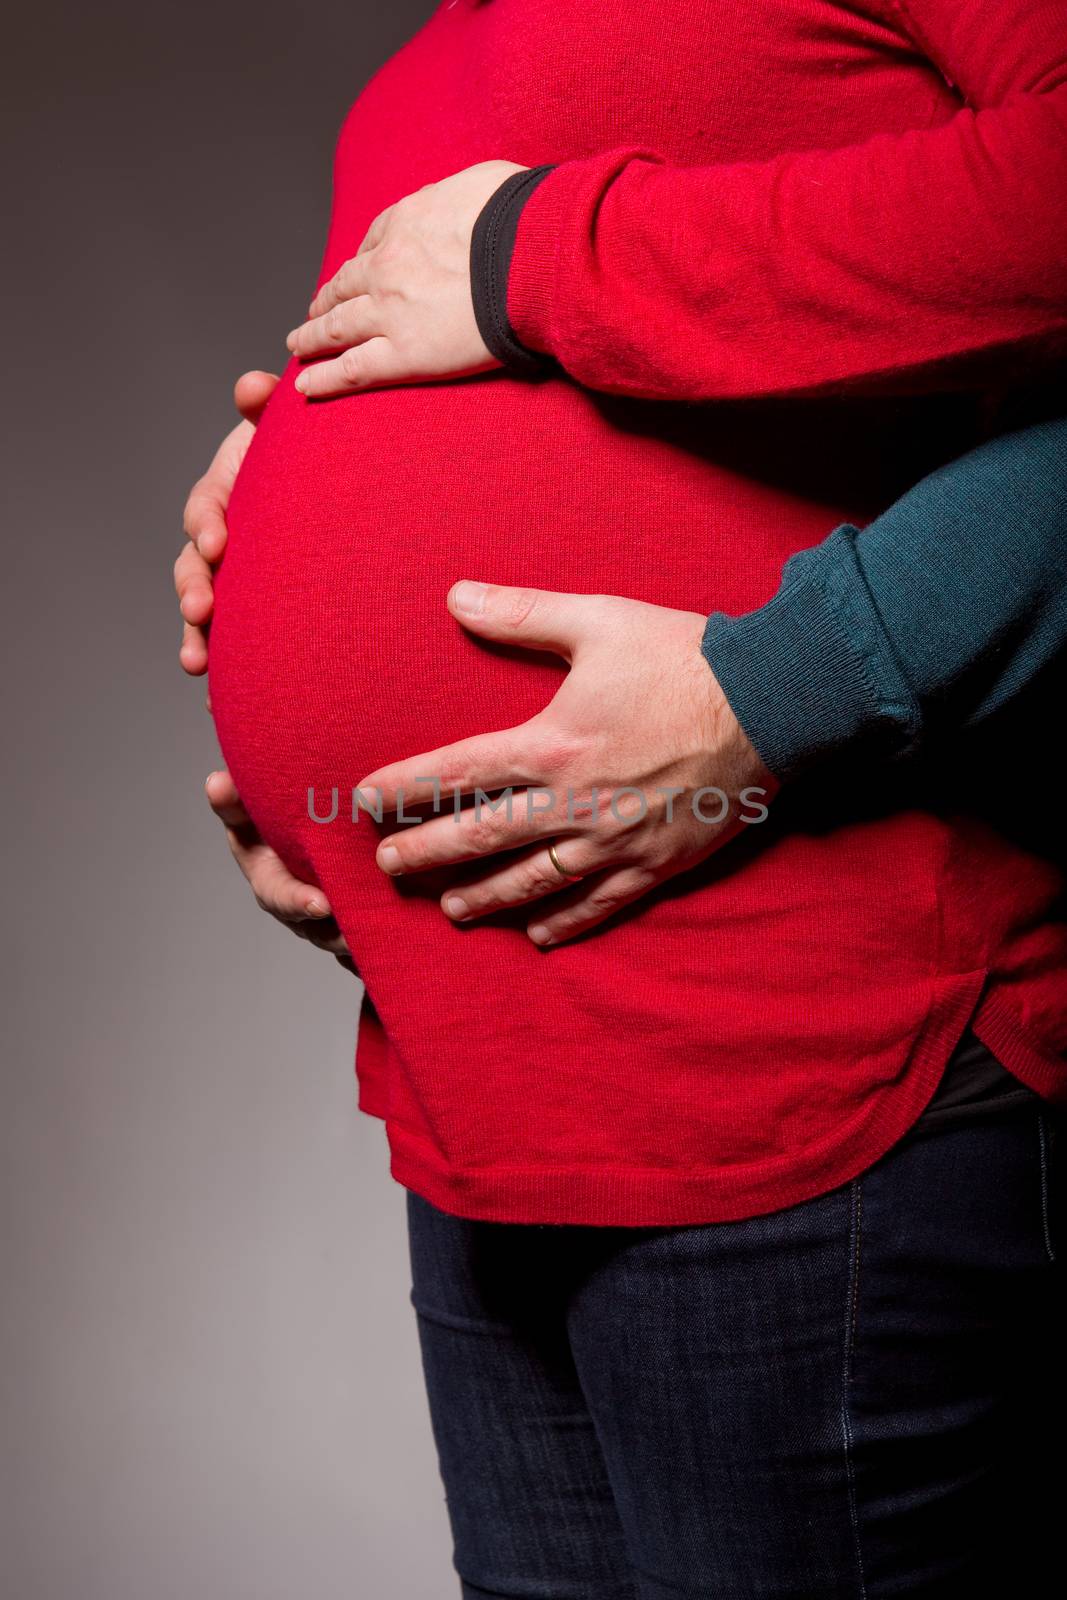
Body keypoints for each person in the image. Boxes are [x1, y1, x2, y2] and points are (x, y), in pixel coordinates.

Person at [176, 1, 1067, 1591]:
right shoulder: (441, 44)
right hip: (484, 1076)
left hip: (809, 1049)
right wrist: (278, 503)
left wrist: (540, 256)